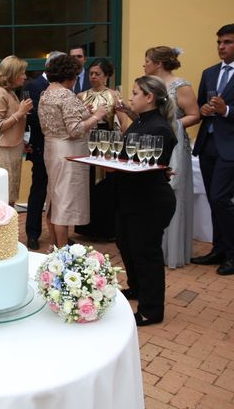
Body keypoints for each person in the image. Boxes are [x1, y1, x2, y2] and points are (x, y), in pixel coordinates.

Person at [116, 76, 177, 325]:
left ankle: (151, 309)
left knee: (146, 253)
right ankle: (137, 288)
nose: (131, 98)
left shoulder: (159, 127)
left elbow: (150, 164)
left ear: (149, 97)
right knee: (126, 244)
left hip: (150, 201)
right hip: (132, 197)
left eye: (135, 93)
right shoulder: (141, 121)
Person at [38, 54, 106, 248]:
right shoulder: (65, 94)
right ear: (69, 75)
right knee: (64, 204)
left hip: (52, 149)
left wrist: (84, 111)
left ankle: (53, 246)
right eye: (76, 75)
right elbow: (75, 129)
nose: (77, 79)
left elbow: (61, 120)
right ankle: (62, 251)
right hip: (68, 152)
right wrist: (97, 116)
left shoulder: (47, 93)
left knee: (54, 199)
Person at [143, 46, 200, 268]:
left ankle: (173, 252)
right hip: (153, 145)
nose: (144, 64)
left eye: (146, 60)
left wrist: (169, 125)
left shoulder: (181, 86)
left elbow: (194, 115)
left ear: (158, 63)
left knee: (173, 192)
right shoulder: (150, 84)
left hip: (175, 145)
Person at [191, 24, 234, 276]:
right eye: (219, 42)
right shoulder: (209, 72)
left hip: (230, 148)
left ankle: (231, 253)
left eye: (227, 42)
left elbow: (225, 109)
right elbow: (199, 106)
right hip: (207, 146)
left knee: (220, 198)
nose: (221, 47)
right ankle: (218, 249)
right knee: (213, 200)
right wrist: (205, 111)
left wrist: (225, 110)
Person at [74, 58, 127, 240]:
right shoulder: (81, 96)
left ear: (106, 76)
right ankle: (88, 228)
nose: (93, 77)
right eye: (91, 74)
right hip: (88, 142)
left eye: (98, 74)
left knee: (107, 185)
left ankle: (108, 228)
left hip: (109, 142)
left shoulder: (115, 95)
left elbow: (124, 121)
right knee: (88, 185)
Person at [25, 51, 64, 250]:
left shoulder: (65, 87)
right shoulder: (33, 86)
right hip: (40, 147)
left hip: (60, 150)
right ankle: (33, 234)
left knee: (59, 194)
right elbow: (30, 118)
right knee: (38, 191)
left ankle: (58, 237)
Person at [0, 55, 33, 205]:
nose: (25, 76)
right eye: (22, 73)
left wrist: (22, 141)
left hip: (13, 149)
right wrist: (20, 112)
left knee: (11, 195)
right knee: (2, 197)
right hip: (2, 152)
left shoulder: (10, 92)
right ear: (12, 73)